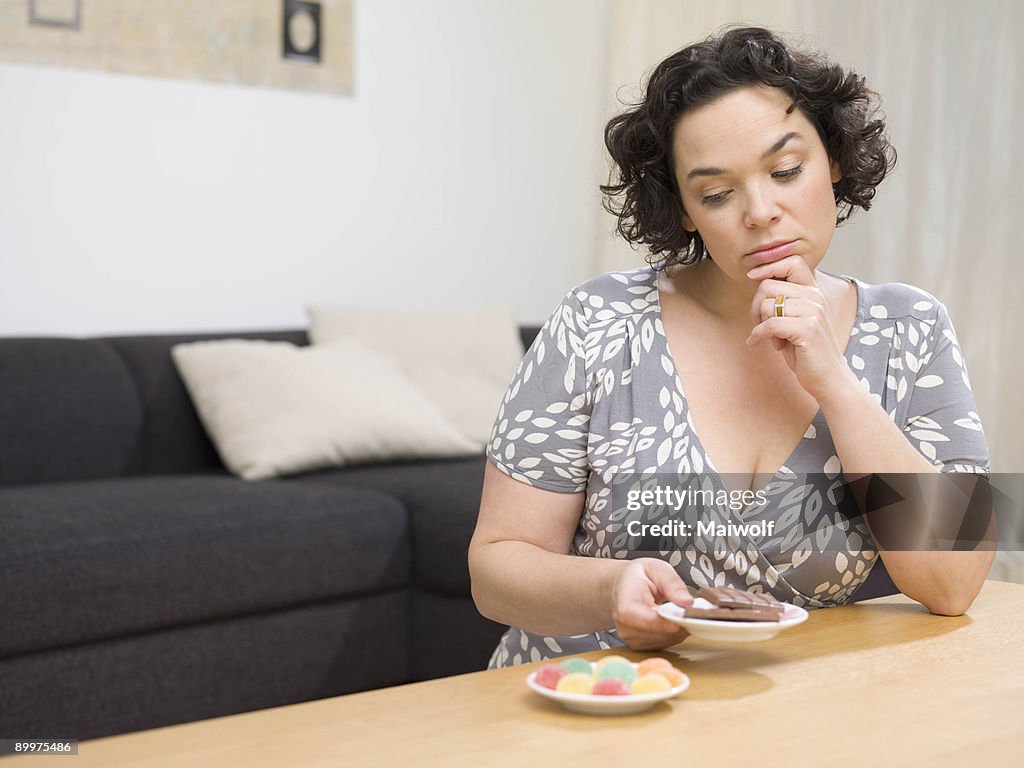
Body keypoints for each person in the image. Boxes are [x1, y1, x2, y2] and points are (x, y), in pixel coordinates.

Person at [468, 26, 994, 668]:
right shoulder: (599, 319)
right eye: (716, 193)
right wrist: (609, 590)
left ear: (831, 158)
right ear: (684, 209)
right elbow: (495, 570)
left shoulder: (912, 327)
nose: (760, 210)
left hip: (778, 720)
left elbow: (954, 583)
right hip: (587, 698)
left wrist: (835, 381)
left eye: (786, 170)